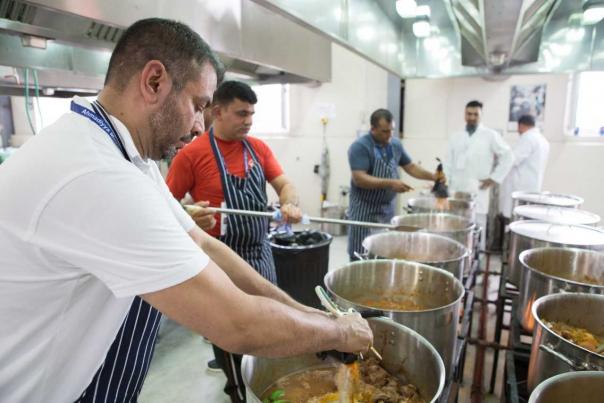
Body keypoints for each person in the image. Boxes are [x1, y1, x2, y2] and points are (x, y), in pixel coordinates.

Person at [0, 18, 372, 403]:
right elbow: (237, 322)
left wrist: (316, 318)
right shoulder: (96, 173)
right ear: (155, 81)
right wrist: (339, 334)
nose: (199, 126)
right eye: (198, 106)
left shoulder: (126, 156)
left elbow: (203, 246)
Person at [166, 81, 303, 401]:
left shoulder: (258, 148)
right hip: (219, 257)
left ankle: (266, 382)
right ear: (218, 112)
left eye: (252, 114)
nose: (249, 121)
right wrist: (188, 213)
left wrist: (290, 201)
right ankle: (238, 391)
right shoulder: (192, 155)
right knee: (230, 333)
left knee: (269, 322)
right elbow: (165, 206)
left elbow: (284, 184)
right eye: (241, 113)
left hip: (260, 250)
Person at [347, 108, 440, 260]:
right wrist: (390, 183)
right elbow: (360, 178)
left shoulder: (395, 144)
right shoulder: (360, 147)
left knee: (383, 253)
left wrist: (433, 177)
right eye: (384, 131)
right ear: (373, 129)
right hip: (364, 211)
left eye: (392, 131)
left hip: (386, 210)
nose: (389, 135)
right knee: (361, 253)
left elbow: (410, 167)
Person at [443, 100, 514, 247]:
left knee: (477, 232)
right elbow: (447, 163)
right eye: (469, 114)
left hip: (478, 192)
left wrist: (494, 178)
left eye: (476, 114)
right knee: (454, 231)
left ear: (481, 115)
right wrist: (444, 185)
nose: (472, 117)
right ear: (465, 114)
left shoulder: (490, 135)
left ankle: (476, 265)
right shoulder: (456, 137)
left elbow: (508, 156)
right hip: (456, 191)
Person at [499, 114, 550, 219]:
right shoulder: (543, 140)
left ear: (520, 125)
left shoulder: (528, 138)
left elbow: (512, 159)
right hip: (532, 188)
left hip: (520, 190)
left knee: (516, 220)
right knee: (525, 218)